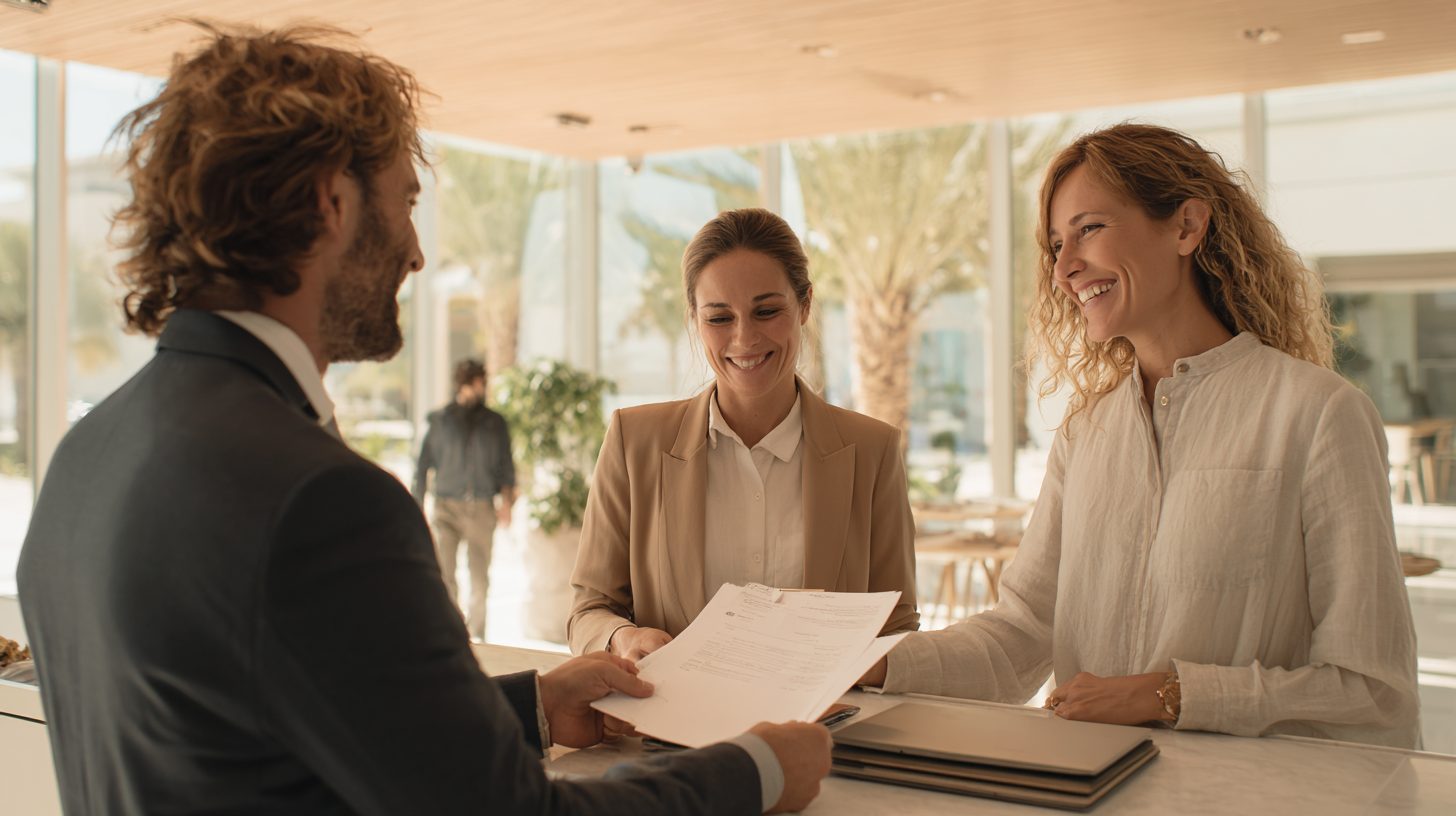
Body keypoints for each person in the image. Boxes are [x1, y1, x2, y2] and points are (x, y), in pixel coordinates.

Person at [17, 26, 829, 815]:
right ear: (331, 203)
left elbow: (258, 737)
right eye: (405, 201)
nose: (415, 251)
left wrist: (530, 710)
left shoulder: (87, 455)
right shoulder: (321, 501)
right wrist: (753, 772)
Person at [860, 123, 1421, 748]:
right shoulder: (1085, 433)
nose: (1064, 268)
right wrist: (873, 664)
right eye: (1056, 245)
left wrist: (1170, 695)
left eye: (1089, 229)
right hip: (1088, 782)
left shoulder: (1318, 413)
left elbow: (1374, 687)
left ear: (1187, 226)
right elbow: (1021, 634)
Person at [569, 208, 919, 661]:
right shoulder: (632, 442)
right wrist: (623, 638)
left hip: (825, 710)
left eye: (766, 311)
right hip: (673, 708)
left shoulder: (874, 451)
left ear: (805, 305)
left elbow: (895, 624)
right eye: (719, 318)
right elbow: (590, 609)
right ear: (694, 318)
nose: (745, 338)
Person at [414, 358, 517, 640]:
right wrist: (417, 506)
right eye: (480, 382)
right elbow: (422, 467)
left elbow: (506, 465)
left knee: (480, 580)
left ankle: (478, 637)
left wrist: (507, 503)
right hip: (445, 507)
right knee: (445, 576)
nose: (484, 388)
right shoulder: (437, 421)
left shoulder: (495, 422)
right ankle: (453, 634)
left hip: (482, 508)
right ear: (467, 384)